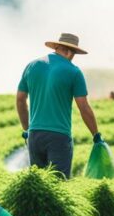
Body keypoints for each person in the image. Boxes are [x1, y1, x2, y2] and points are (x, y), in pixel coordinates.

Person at [17, 33, 102, 179]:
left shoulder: (32, 66)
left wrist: (27, 129)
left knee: (39, 184)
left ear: (56, 47)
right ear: (70, 51)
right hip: (59, 136)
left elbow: (20, 99)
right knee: (58, 185)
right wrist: (96, 134)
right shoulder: (74, 72)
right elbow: (84, 107)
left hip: (35, 135)